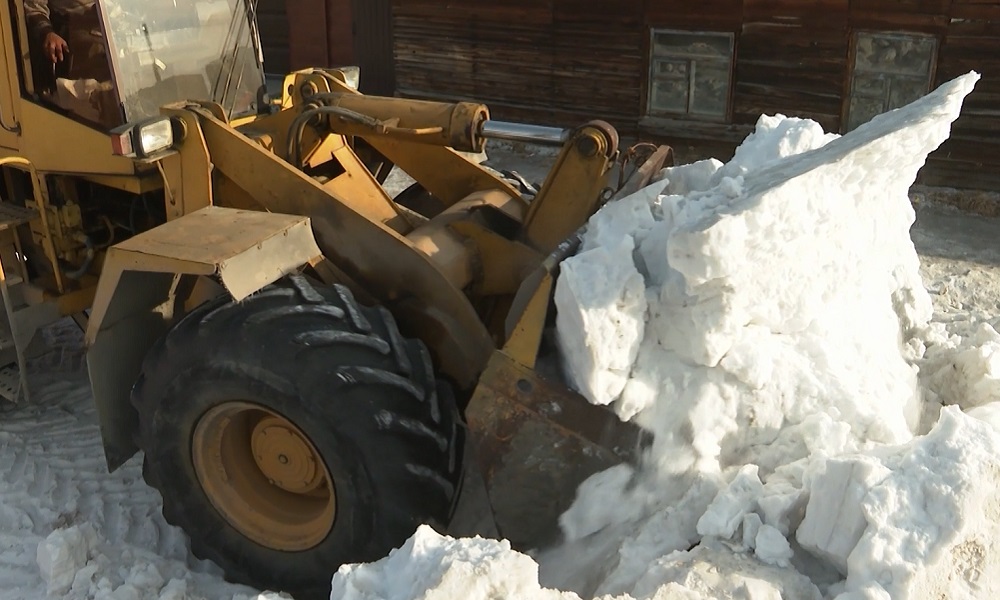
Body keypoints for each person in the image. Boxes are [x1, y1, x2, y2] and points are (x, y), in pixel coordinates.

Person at [23, 0, 120, 128]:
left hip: (116, 28)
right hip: (78, 35)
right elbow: (34, 8)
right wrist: (47, 33)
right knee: (103, 98)